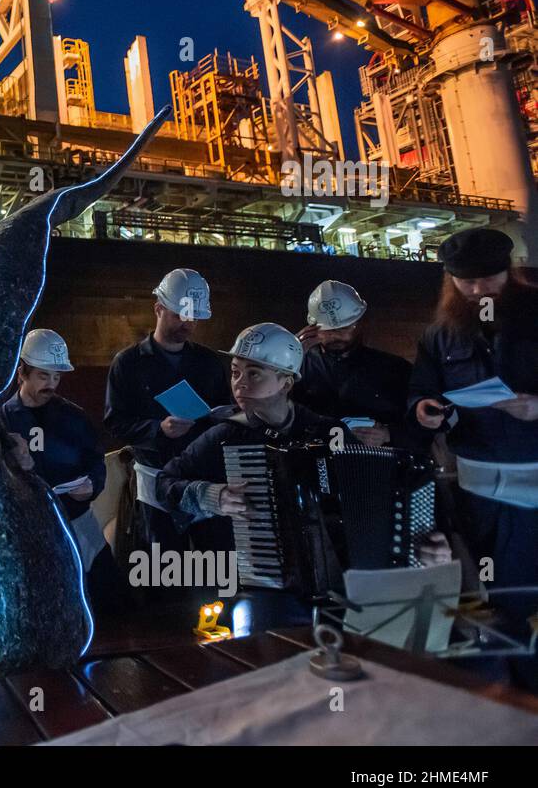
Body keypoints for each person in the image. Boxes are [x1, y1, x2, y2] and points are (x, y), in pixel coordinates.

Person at [407, 227, 538, 687]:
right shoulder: (441, 334)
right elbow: (423, 390)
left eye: (489, 279)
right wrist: (425, 411)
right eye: (467, 282)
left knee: (519, 598)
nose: (479, 290)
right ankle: (501, 688)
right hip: (476, 491)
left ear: (511, 271)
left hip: (531, 486)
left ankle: (523, 690)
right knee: (483, 596)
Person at [155, 323, 346, 559]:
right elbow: (164, 484)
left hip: (331, 564)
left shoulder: (329, 431)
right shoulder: (225, 434)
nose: (239, 383)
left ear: (286, 383)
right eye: (235, 372)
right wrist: (211, 496)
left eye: (253, 373)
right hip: (254, 565)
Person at [0, 329, 131, 615]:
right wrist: (14, 465)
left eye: (56, 377)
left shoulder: (74, 417)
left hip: (77, 520)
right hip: (29, 528)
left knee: (111, 599)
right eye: (43, 376)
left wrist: (92, 485)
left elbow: (95, 461)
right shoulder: (1, 420)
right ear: (22, 372)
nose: (51, 384)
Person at [103, 268, 231, 556]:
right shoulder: (127, 364)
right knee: (160, 566)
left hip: (201, 477)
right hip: (153, 479)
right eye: (180, 315)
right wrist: (157, 430)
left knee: (214, 562)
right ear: (158, 308)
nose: (187, 323)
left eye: (193, 317)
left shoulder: (209, 364)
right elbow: (115, 422)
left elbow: (225, 414)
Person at [293, 280, 417, 449]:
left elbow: (424, 423)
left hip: (380, 464)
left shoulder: (394, 368)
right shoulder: (298, 367)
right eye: (327, 330)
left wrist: (389, 434)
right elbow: (271, 412)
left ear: (360, 323)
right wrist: (290, 358)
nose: (335, 336)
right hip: (313, 463)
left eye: (345, 328)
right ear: (311, 329)